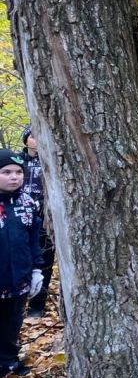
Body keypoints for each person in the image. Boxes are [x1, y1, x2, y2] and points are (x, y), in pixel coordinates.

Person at [0, 149, 43, 378]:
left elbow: (34, 238)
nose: (14, 177)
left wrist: (37, 270)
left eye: (18, 172)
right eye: (6, 172)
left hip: (20, 278)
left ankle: (8, 361)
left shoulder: (27, 202)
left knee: (13, 321)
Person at [20, 126, 54, 318]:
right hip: (21, 219)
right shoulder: (17, 162)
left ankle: (37, 306)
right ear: (26, 140)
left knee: (43, 261)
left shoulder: (50, 162)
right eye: (33, 136)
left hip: (44, 221)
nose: (36, 140)